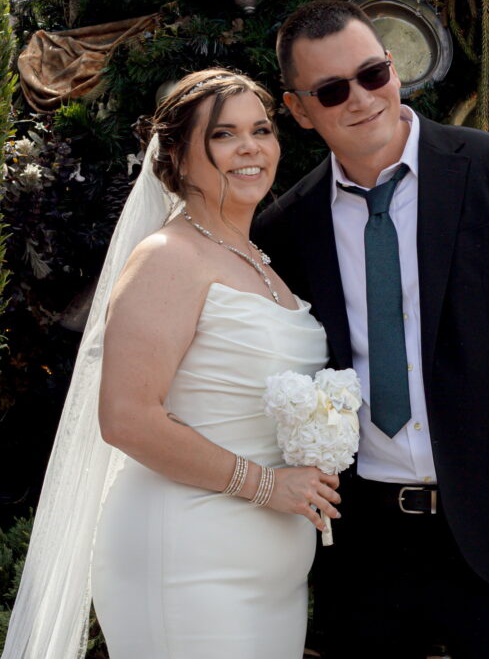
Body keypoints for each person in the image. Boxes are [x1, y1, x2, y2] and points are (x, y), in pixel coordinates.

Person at [253, 0, 489, 659]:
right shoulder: (288, 226)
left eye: (373, 74)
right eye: (332, 91)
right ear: (299, 110)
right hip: (362, 546)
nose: (362, 98)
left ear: (395, 68)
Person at [3, 69, 340, 659]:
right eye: (223, 135)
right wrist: (266, 485)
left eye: (261, 130)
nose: (250, 147)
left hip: (271, 578)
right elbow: (127, 418)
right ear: (179, 157)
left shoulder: (258, 260)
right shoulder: (167, 256)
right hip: (186, 563)